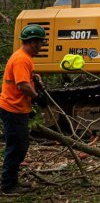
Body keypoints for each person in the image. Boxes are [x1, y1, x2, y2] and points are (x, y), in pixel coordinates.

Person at [0, 24, 48, 194]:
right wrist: (37, 97)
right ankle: (7, 185)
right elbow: (22, 85)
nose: (41, 46)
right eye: (41, 43)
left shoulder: (24, 57)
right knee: (17, 147)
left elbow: (25, 79)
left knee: (20, 145)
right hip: (13, 108)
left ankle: (11, 181)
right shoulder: (22, 59)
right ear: (33, 42)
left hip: (18, 107)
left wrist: (35, 79)